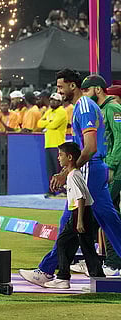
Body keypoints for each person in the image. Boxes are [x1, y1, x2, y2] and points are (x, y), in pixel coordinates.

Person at [20, 68, 121, 286]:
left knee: (71, 222)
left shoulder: (83, 107)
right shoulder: (81, 107)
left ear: (73, 86)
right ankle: (53, 271)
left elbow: (91, 146)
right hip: (92, 169)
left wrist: (67, 172)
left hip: (88, 169)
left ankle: (49, 271)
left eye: (60, 87)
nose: (58, 92)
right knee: (106, 219)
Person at [43, 142, 104, 289]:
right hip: (82, 213)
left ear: (69, 157)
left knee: (63, 242)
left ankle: (64, 278)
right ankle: (98, 278)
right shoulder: (75, 174)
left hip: (79, 213)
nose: (58, 158)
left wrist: (79, 221)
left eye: (61, 155)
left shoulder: (72, 176)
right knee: (85, 246)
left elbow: (81, 198)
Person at [80, 74, 121, 275]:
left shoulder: (113, 109)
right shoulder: (102, 109)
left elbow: (120, 139)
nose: (85, 97)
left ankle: (113, 263)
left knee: (105, 214)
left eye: (87, 91)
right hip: (107, 168)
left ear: (97, 89)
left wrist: (112, 166)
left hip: (114, 170)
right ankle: (104, 261)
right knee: (104, 214)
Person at [37, 93, 67, 197]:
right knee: (50, 170)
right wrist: (48, 123)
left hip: (58, 144)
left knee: (59, 169)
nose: (52, 102)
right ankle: (52, 191)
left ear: (60, 102)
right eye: (51, 100)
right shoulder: (49, 111)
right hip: (48, 144)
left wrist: (47, 123)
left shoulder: (62, 112)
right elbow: (39, 123)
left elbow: (54, 125)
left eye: (55, 100)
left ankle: (63, 190)